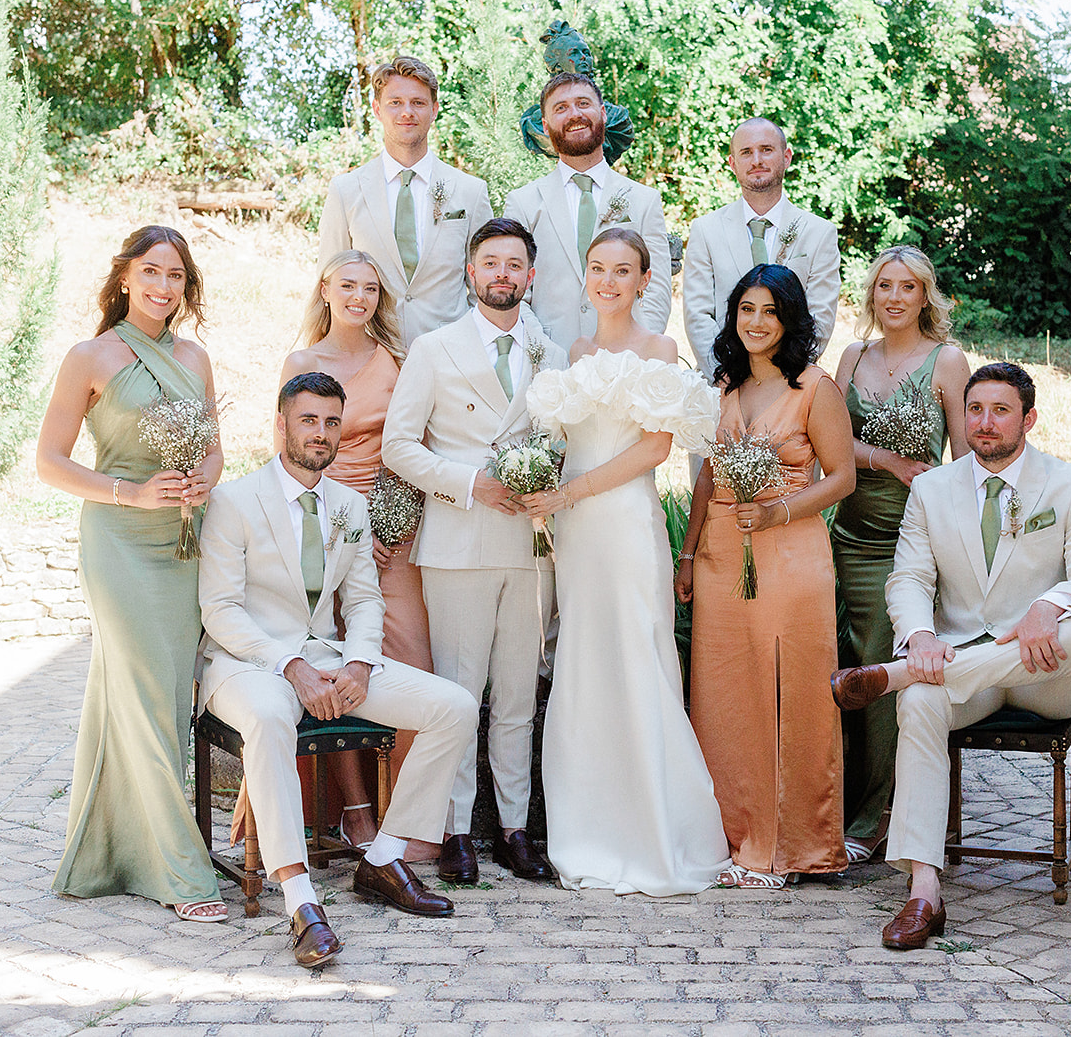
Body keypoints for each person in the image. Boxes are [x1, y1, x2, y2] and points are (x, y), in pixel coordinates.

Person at [831, 362, 1071, 949]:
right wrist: (917, 636)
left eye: (1001, 410)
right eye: (975, 410)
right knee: (918, 706)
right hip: (966, 669)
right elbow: (908, 579)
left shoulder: (1069, 485)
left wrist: (1051, 605)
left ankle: (896, 676)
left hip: (1045, 670)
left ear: (1028, 418)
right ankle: (923, 894)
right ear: (961, 417)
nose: (985, 423)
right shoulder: (933, 490)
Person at [198, 372, 480, 968]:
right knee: (273, 715)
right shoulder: (233, 500)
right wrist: (289, 664)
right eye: (308, 420)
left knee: (452, 707)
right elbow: (219, 609)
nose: (320, 434)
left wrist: (359, 662)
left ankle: (383, 857)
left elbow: (364, 598)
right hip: (246, 664)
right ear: (281, 425)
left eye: (331, 422)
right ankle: (299, 902)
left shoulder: (350, 505)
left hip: (327, 659)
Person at [520, 228, 731, 895]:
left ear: (645, 281)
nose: (607, 281)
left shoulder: (659, 349)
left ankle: (654, 833)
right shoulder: (575, 352)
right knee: (583, 659)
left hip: (623, 523)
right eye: (597, 268)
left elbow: (654, 449)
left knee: (637, 656)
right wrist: (540, 483)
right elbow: (565, 440)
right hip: (575, 530)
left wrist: (572, 491)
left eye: (622, 271)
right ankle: (587, 829)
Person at [37, 225, 227, 922]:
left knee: (164, 694)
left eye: (176, 276)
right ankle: (181, 871)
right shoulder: (89, 356)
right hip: (118, 541)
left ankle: (109, 852)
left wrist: (200, 483)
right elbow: (49, 462)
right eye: (151, 272)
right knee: (148, 692)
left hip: (183, 545)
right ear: (124, 277)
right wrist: (131, 491)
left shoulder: (197, 359)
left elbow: (214, 451)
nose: (163, 286)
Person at [382, 218, 568, 884]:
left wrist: (545, 477)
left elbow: (566, 439)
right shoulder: (434, 349)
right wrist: (470, 484)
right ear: (470, 272)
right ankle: (456, 828)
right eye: (490, 262)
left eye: (514, 264)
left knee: (518, 693)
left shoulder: (553, 353)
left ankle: (515, 828)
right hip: (459, 540)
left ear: (531, 276)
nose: (502, 274)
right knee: (461, 693)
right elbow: (397, 445)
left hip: (529, 543)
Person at [674, 264, 856, 887]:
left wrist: (778, 509)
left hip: (792, 551)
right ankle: (733, 834)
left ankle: (796, 845)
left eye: (770, 312)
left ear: (790, 320)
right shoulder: (724, 385)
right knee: (724, 696)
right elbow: (706, 475)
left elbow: (842, 477)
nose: (755, 322)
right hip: (724, 554)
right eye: (746, 309)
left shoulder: (815, 388)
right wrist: (689, 553)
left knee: (792, 695)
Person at [277, 250, 432, 855]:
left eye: (371, 289)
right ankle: (356, 812)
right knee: (332, 663)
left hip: (393, 533)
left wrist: (394, 516)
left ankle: (414, 815)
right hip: (325, 529)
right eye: (348, 285)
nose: (359, 297)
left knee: (412, 658)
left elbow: (416, 442)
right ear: (326, 288)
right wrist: (339, 528)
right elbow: (291, 455)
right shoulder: (301, 362)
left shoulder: (397, 362)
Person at [830, 246, 970, 863]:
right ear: (872, 295)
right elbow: (827, 439)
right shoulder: (852, 357)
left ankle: (875, 815)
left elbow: (966, 462)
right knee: (835, 664)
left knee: (881, 667)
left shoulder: (947, 361)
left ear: (924, 296)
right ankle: (828, 802)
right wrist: (883, 458)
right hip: (844, 532)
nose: (893, 297)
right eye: (884, 285)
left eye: (907, 287)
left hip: (907, 542)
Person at [317, 56, 492, 346]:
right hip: (370, 357)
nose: (406, 112)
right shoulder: (345, 190)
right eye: (395, 102)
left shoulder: (470, 192)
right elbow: (329, 285)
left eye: (418, 103)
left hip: (451, 356)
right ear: (377, 109)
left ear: (434, 110)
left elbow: (482, 290)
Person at [503, 72, 671, 351]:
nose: (574, 114)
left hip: (626, 367)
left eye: (583, 103)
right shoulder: (523, 203)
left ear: (603, 113)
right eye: (561, 108)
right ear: (545, 126)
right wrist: (545, 353)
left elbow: (657, 289)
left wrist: (634, 353)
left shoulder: (644, 200)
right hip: (548, 365)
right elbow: (515, 291)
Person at [682, 117, 841, 379]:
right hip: (721, 384)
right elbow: (698, 315)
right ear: (733, 164)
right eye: (746, 152)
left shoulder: (819, 233)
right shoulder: (706, 230)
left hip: (790, 385)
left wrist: (781, 379)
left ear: (786, 157)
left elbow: (820, 318)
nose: (757, 160)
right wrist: (727, 378)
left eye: (766, 149)